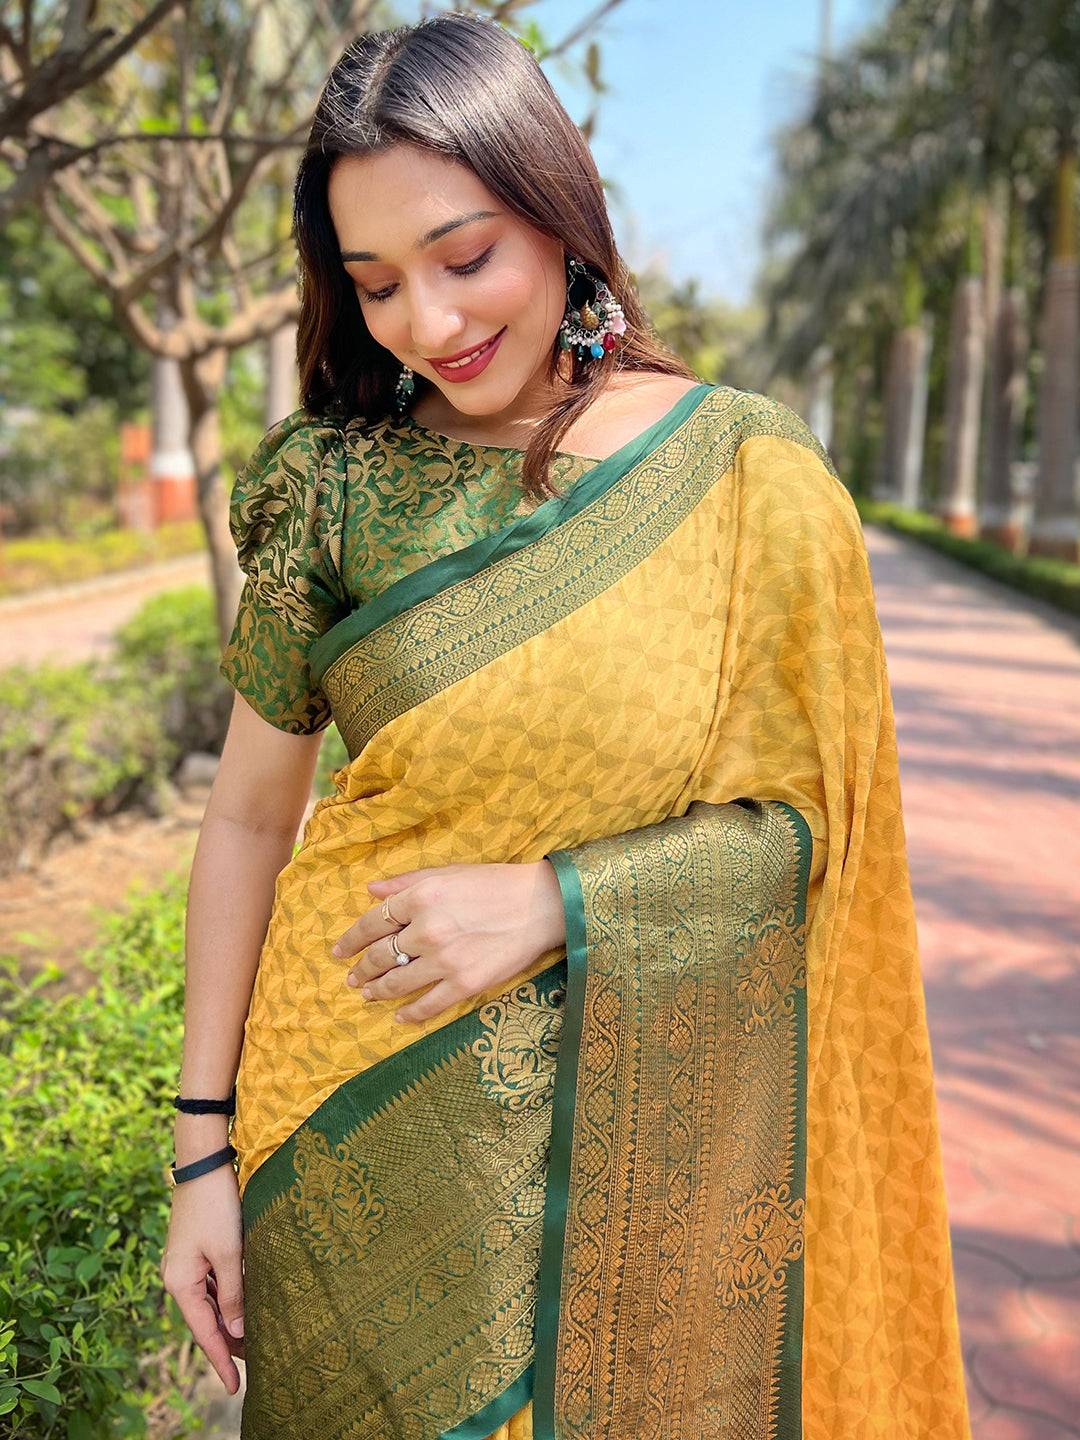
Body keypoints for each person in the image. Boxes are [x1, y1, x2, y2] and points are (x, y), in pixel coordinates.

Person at [160, 13, 972, 1440]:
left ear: (556, 212)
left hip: (646, 1178)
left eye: (466, 257)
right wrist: (201, 1157)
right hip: (343, 1123)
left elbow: (818, 839)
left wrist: (559, 902)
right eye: (376, 287)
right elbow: (243, 818)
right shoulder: (333, 484)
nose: (429, 323)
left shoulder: (746, 477)